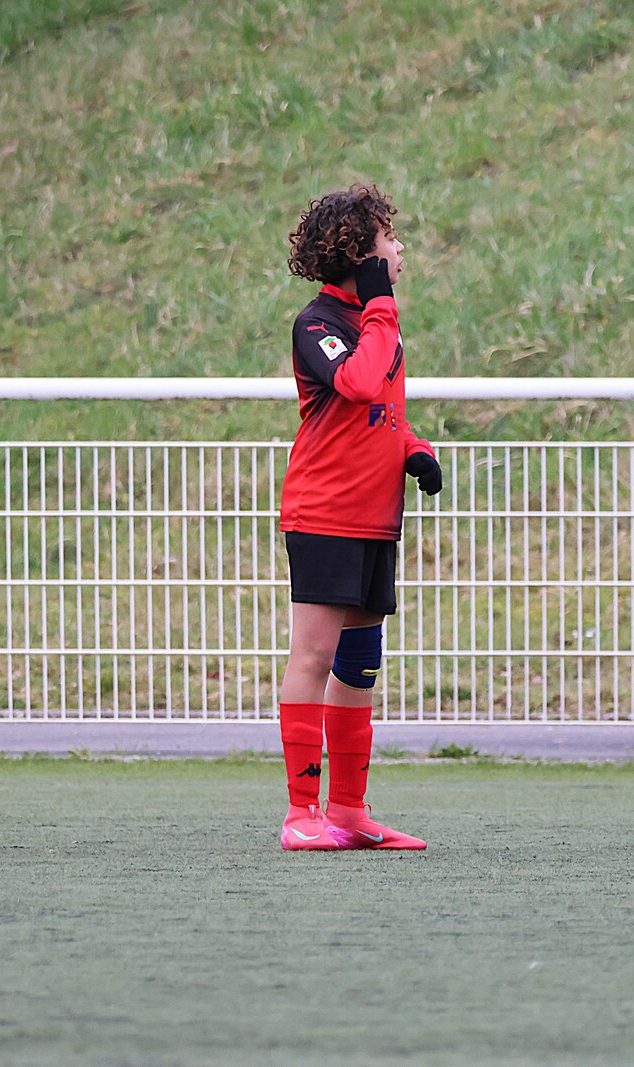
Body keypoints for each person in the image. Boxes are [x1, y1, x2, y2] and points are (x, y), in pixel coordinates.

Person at [275, 183, 441, 851]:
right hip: (325, 512)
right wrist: (381, 308)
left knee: (360, 662)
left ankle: (347, 810)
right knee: (314, 655)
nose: (401, 249)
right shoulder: (319, 324)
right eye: (389, 239)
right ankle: (300, 814)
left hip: (375, 518)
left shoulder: (375, 322)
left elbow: (379, 414)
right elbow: (358, 383)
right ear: (359, 253)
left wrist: (414, 448)